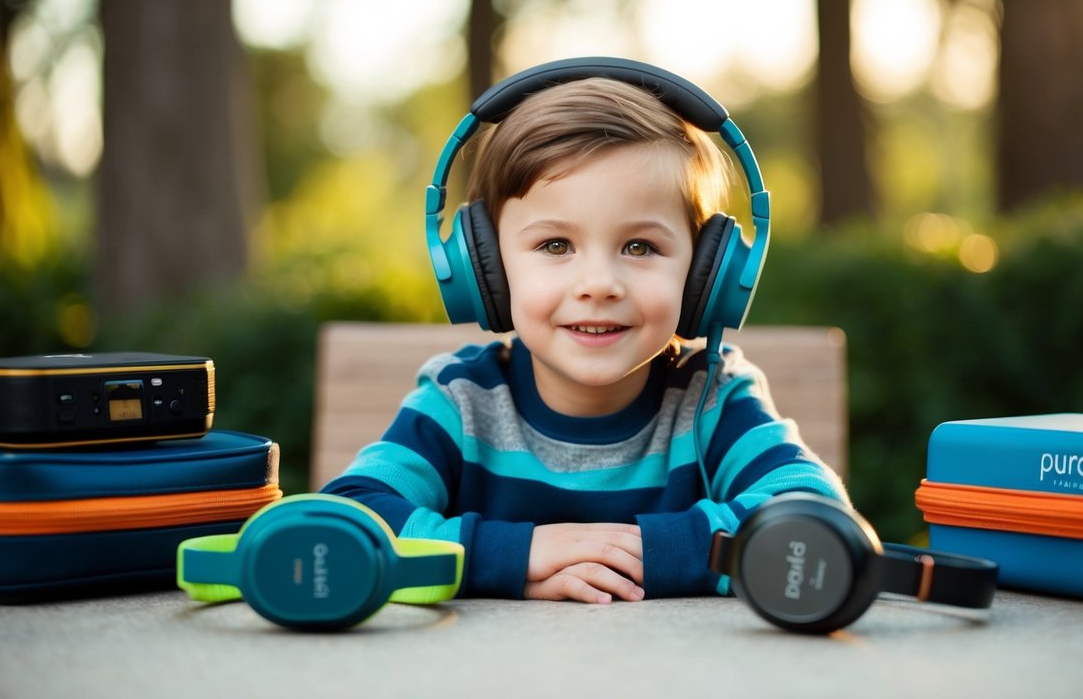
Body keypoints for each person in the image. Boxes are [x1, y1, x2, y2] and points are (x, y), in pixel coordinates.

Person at [321, 72, 848, 604]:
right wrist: (515, 555)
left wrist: (641, 551)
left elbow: (814, 514)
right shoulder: (461, 401)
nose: (599, 284)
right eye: (554, 245)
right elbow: (345, 525)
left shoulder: (712, 399)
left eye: (640, 247)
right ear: (487, 270)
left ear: (701, 277)